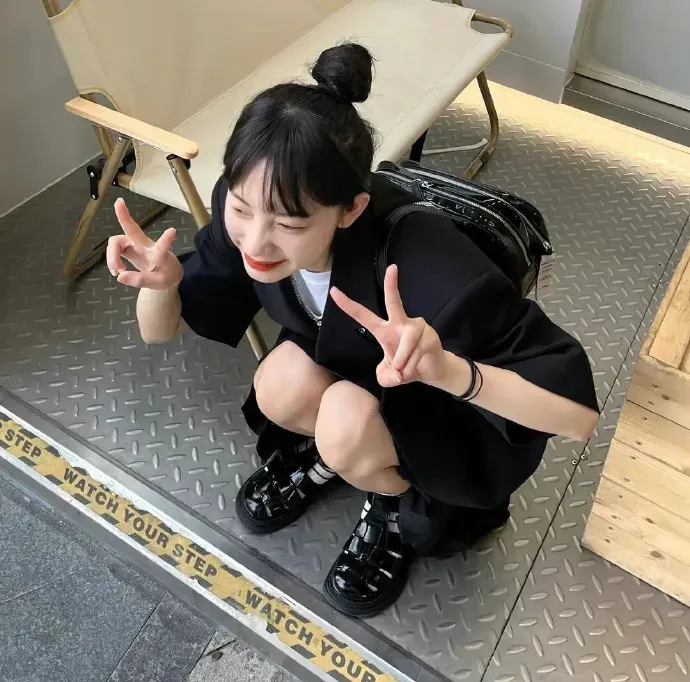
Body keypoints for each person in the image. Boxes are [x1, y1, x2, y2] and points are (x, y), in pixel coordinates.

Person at [106, 42, 599, 619]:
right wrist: (162, 284)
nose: (256, 242)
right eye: (240, 209)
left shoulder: (429, 265)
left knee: (343, 422)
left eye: (290, 224)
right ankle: (337, 456)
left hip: (442, 403)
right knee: (278, 383)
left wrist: (450, 371)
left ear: (352, 209)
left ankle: (392, 500)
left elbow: (577, 418)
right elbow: (159, 333)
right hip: (354, 358)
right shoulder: (251, 207)